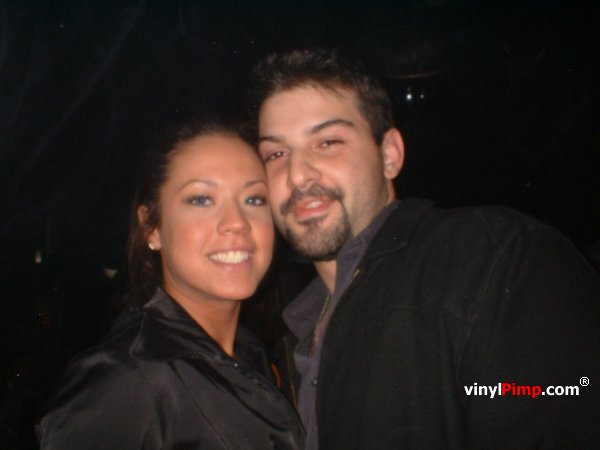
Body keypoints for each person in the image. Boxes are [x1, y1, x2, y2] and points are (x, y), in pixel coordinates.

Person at [251, 49, 600, 449]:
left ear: (389, 155)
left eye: (328, 142)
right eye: (276, 154)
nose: (297, 174)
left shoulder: (497, 259)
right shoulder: (295, 334)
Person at [36, 117, 305, 449]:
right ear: (151, 228)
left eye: (254, 199)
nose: (237, 223)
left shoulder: (252, 356)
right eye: (201, 199)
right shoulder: (123, 383)